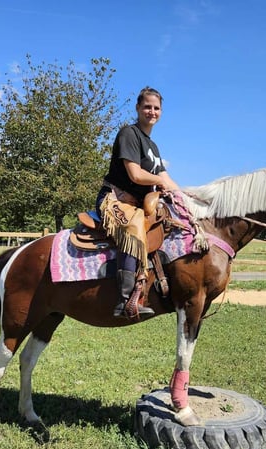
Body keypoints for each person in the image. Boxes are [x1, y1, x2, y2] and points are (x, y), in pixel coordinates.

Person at [96, 87, 180, 319]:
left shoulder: (153, 147)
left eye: (156, 108)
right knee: (133, 228)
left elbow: (165, 177)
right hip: (114, 199)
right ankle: (124, 301)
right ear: (138, 108)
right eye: (147, 107)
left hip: (137, 204)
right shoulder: (128, 134)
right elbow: (135, 174)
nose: (152, 111)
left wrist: (183, 194)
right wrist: (160, 183)